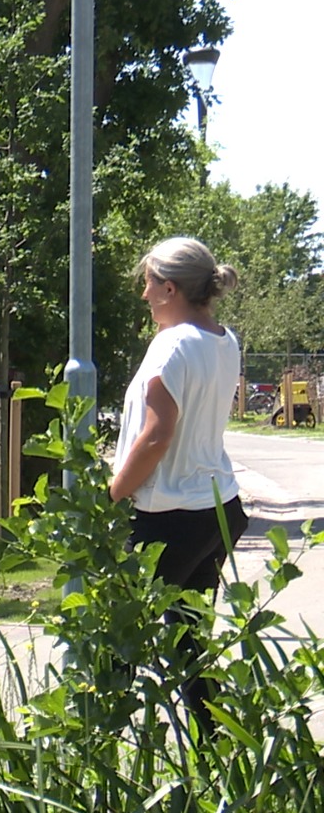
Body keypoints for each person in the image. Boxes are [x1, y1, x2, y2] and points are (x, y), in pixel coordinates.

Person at [109, 236, 247, 731]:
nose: (144, 295)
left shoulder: (171, 344)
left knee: (116, 644)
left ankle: (95, 764)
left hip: (166, 514)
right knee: (193, 646)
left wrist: (113, 493)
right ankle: (217, 757)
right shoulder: (223, 338)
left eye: (148, 284)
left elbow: (156, 436)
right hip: (215, 508)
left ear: (170, 288)